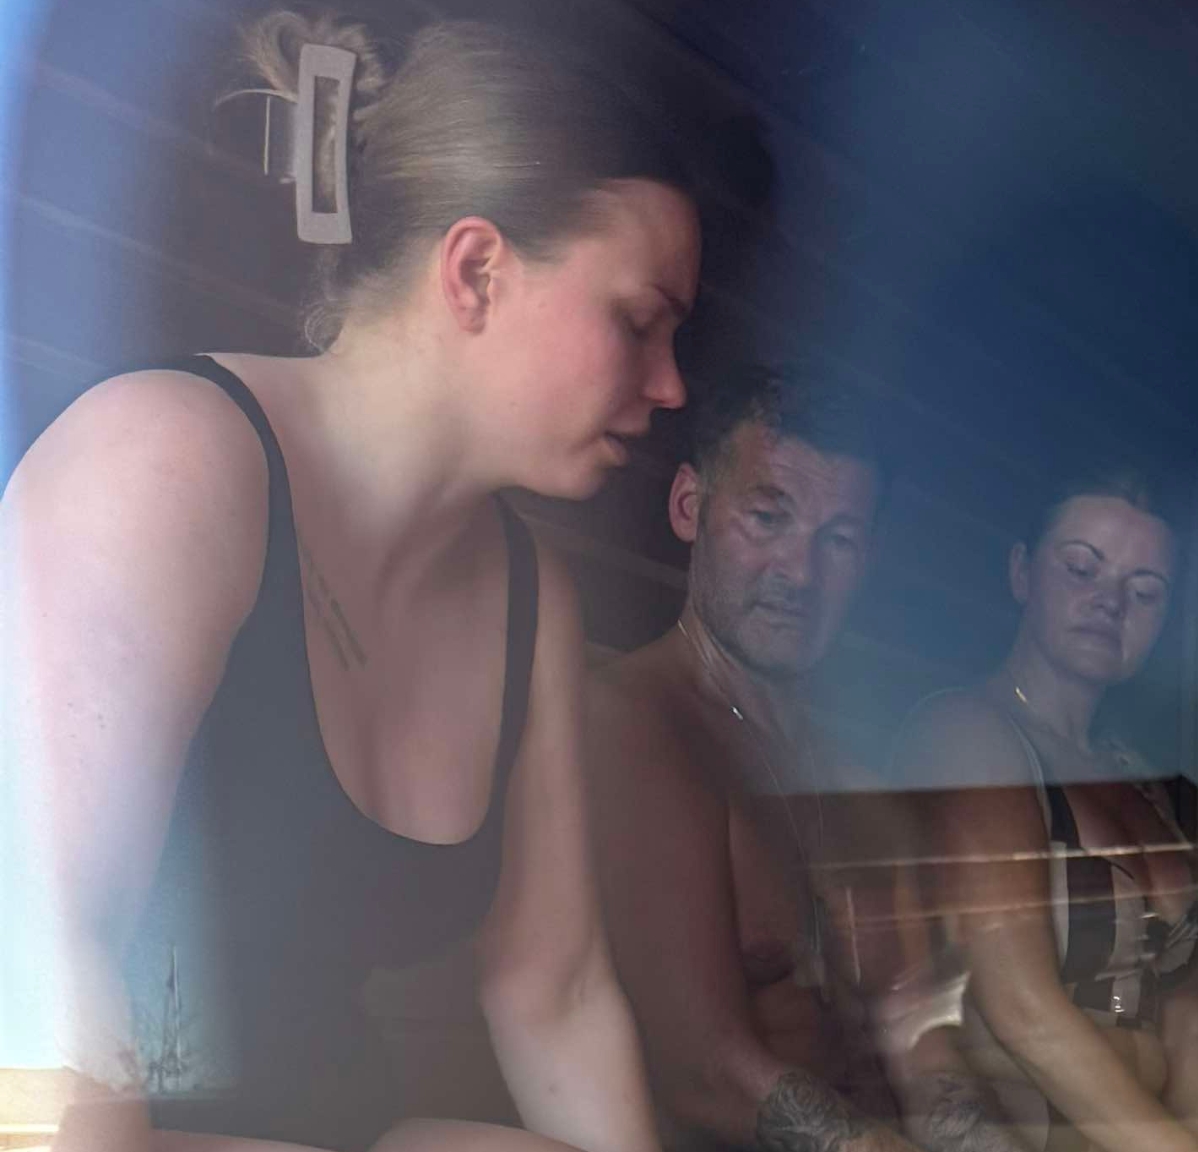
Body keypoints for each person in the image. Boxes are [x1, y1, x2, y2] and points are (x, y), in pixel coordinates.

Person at [1, 10, 709, 1152]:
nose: (673, 386)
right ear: (475, 271)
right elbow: (31, 965)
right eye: (637, 322)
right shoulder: (165, 466)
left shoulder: (531, 597)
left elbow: (555, 992)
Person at [587, 367, 1014, 1152]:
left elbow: (921, 1034)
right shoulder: (635, 723)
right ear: (691, 507)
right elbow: (703, 1068)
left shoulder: (850, 777)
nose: (801, 572)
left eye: (839, 540)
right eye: (767, 517)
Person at [889, 472, 1198, 1152]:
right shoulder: (968, 734)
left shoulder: (1135, 775)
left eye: (1145, 591)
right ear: (1023, 572)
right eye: (1082, 568)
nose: (1110, 602)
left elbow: (1188, 1029)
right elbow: (1020, 1011)